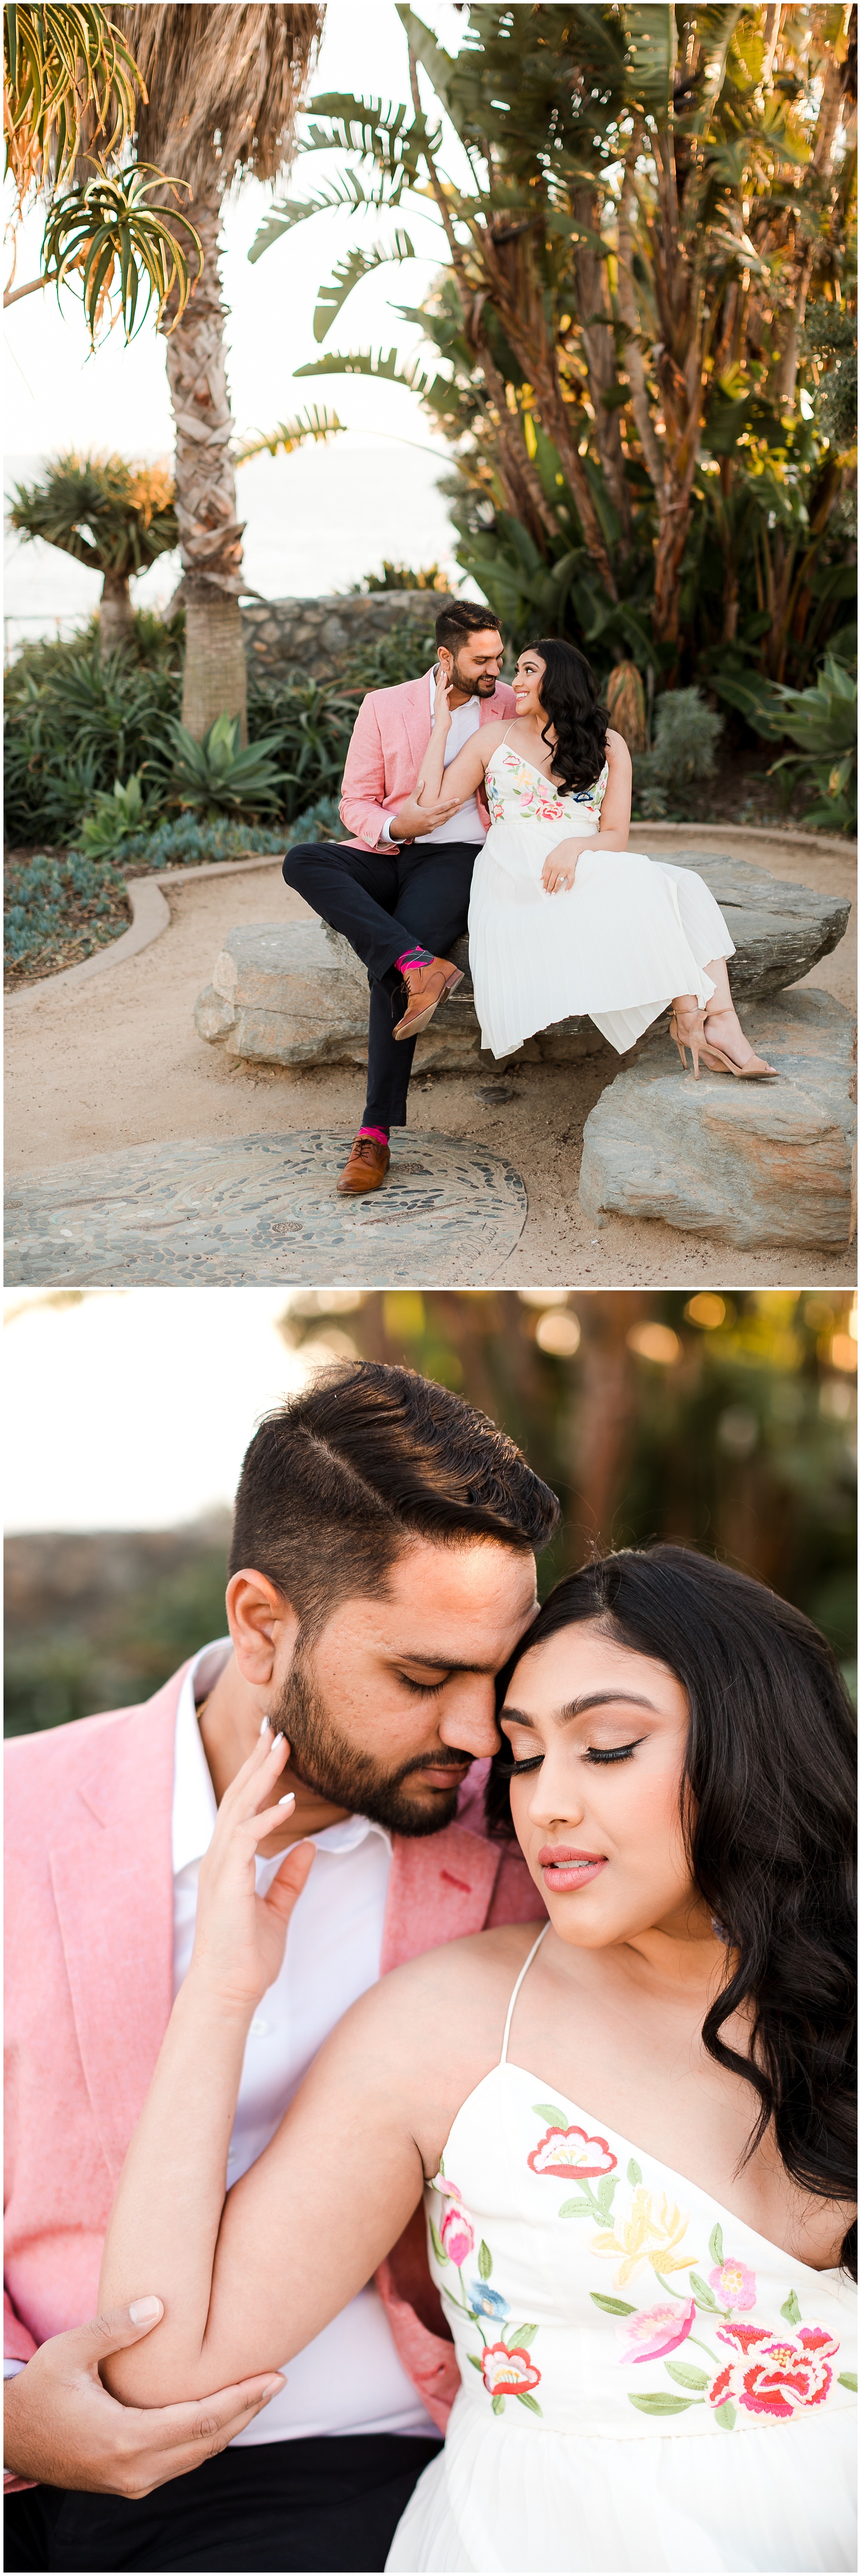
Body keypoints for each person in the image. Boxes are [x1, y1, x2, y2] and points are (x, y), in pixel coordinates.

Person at [96, 1546, 856, 2574]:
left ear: (751, 1744)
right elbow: (158, 2368)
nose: (542, 1804)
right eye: (525, 1754)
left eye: (607, 1746)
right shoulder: (448, 2028)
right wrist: (222, 1993)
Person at [3, 1363, 558, 2573]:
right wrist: (12, 2422)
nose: (478, 1734)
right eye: (422, 1678)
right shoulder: (17, 1819)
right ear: (262, 1624)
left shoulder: (529, 1843)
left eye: (497, 1673)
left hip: (367, 2456)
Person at [393, 637, 778, 1075]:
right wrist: (440, 726)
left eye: (527, 671)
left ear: (559, 680)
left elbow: (616, 834)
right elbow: (428, 806)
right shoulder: (491, 740)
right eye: (515, 670)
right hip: (516, 874)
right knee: (649, 885)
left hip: (584, 861)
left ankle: (720, 1022)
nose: (513, 681)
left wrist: (575, 846)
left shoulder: (608, 744)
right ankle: (693, 1021)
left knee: (685, 884)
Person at [281, 601, 515, 1197]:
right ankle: (418, 963)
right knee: (304, 860)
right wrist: (398, 827)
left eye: (499, 657)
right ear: (446, 657)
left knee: (383, 974)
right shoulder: (385, 705)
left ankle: (374, 1134)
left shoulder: (509, 703)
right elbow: (354, 801)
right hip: (390, 848)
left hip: (457, 858)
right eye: (482, 660)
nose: (496, 669)